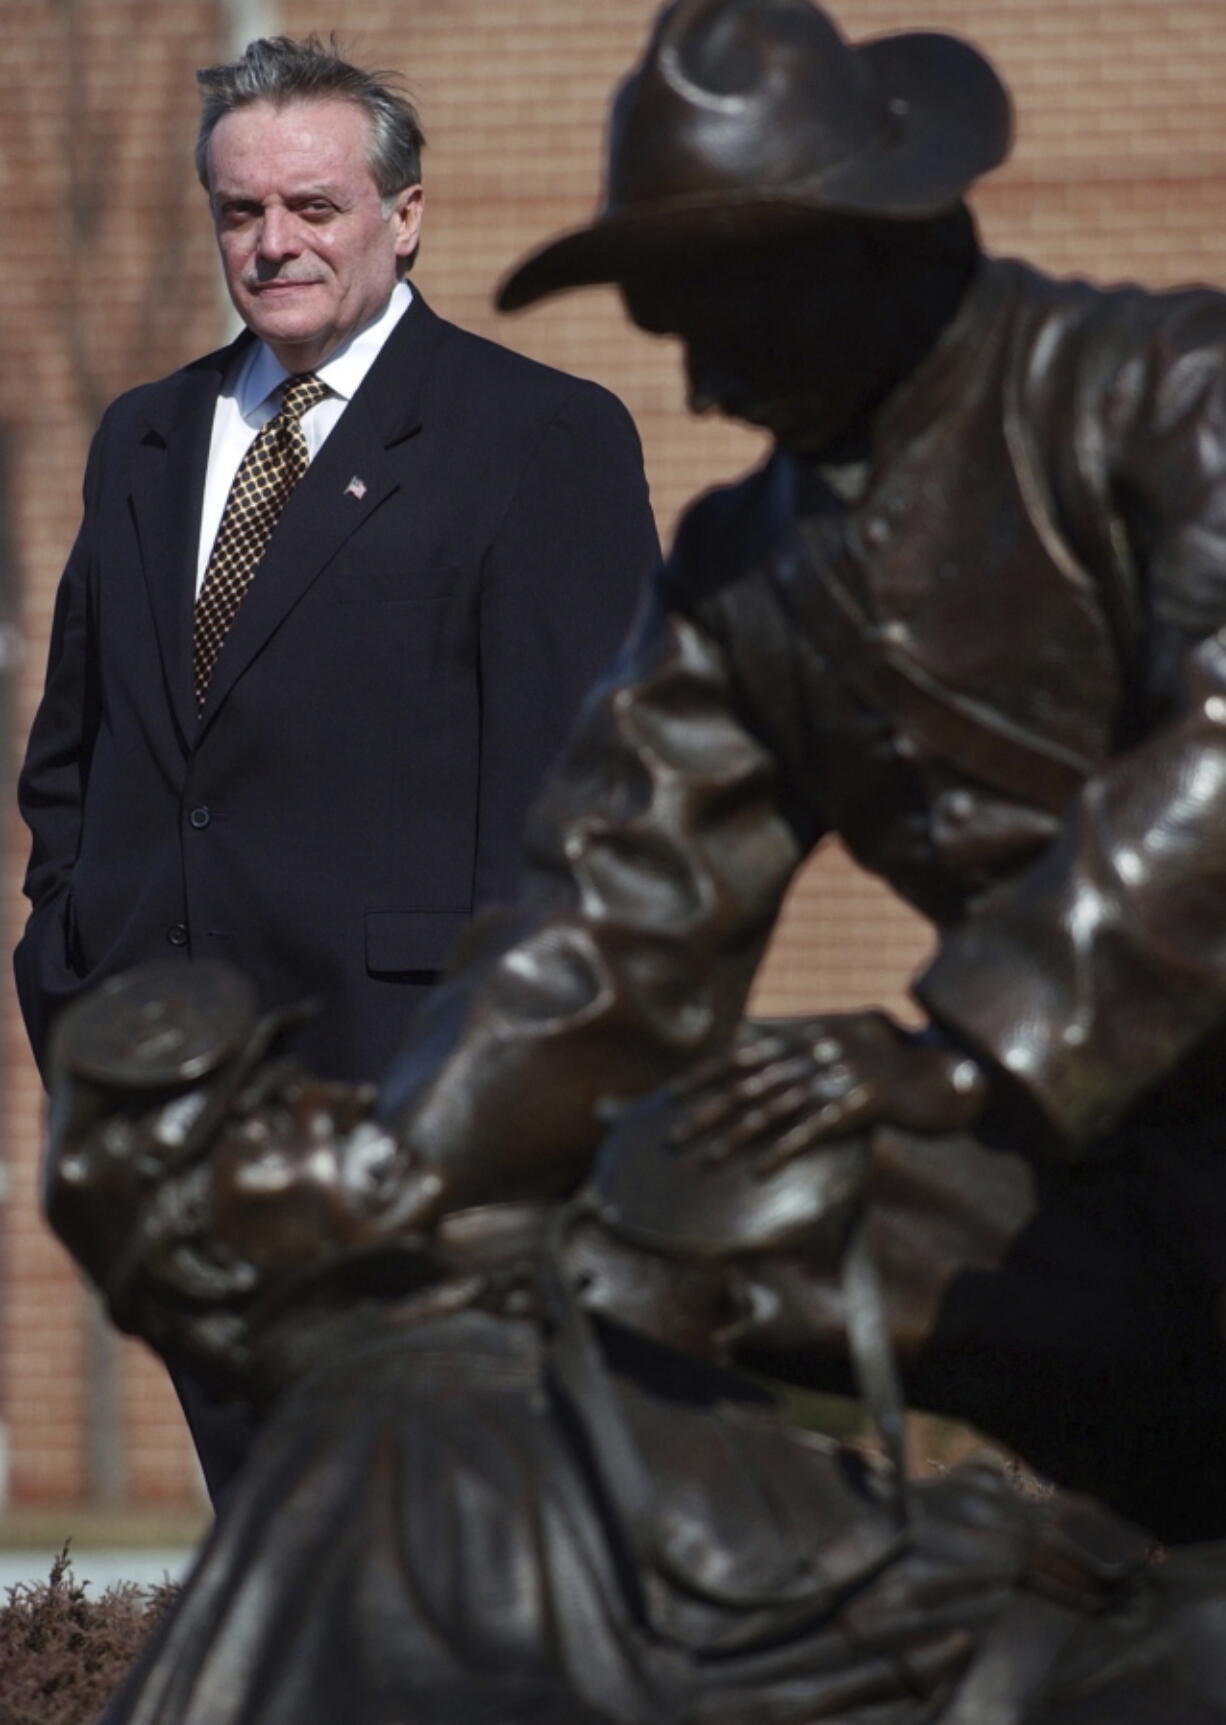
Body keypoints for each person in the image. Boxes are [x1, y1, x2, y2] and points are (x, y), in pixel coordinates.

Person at [332, 0, 1226, 1545]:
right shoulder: (742, 570)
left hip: (1076, 1090)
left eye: (723, 320)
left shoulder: (1166, 394)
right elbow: (604, 924)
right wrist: (383, 1201)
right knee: (641, 1195)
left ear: (868, 246)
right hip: (1093, 1194)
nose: (696, 388)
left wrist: (962, 1047)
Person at [14, 33, 658, 1494]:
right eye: (241, 212)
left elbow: (590, 789)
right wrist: (72, 957)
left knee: (426, 1529)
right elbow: (80, 751)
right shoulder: (146, 437)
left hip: (406, 1099)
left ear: (403, 214)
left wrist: (517, 1094)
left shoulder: (534, 435)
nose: (273, 242)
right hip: (172, 1092)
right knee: (270, 1527)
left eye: (314, 206)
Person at [43, 961, 1226, 1725]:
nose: (329, 1101)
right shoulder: (440, 1444)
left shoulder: (451, 1374)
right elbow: (830, 1601)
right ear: (206, 1260)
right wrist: (1043, 1544)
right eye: (266, 1124)